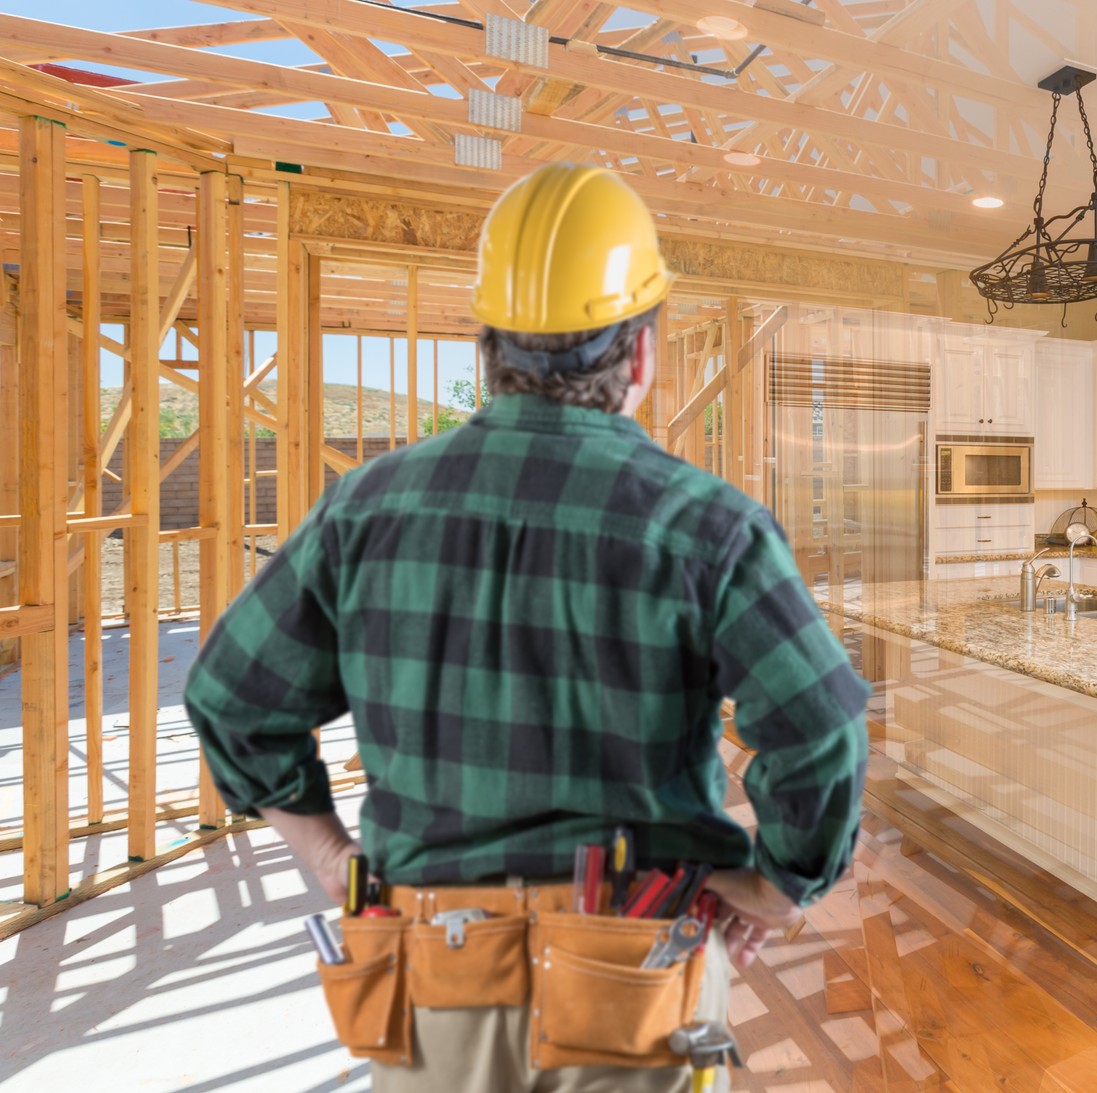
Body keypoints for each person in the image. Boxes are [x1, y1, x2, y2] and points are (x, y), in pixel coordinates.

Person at [184, 163, 871, 1093]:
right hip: (637, 970)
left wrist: (329, 854)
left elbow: (231, 697)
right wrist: (779, 884)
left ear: (488, 350)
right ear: (640, 355)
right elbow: (821, 724)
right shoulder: (710, 528)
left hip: (434, 977)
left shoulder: (364, 511)